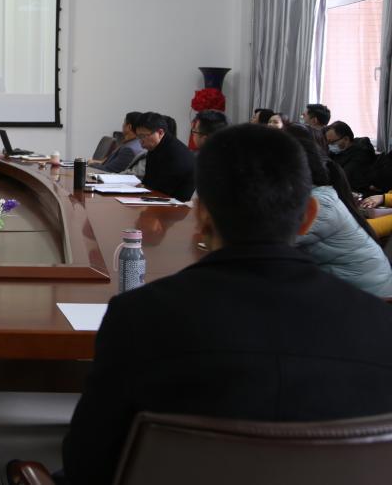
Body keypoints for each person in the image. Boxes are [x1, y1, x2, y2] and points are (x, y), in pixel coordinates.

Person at [59, 124, 392, 485]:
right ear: (307, 216)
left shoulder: (139, 316)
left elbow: (86, 463)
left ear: (201, 214)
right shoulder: (379, 322)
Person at [281, 126, 392, 297]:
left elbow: (272, 243)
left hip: (369, 299)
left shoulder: (320, 203)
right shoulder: (313, 195)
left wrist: (383, 198)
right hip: (349, 288)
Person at [133, 112, 195, 201]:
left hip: (173, 205)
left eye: (143, 136)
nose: (141, 141)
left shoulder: (176, 154)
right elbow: (147, 182)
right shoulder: (156, 147)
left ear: (160, 132)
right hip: (155, 199)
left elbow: (163, 191)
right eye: (138, 137)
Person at [325, 121, 376, 193]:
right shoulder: (339, 152)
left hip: (357, 193)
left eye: (332, 142)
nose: (329, 145)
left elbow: (342, 178)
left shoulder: (361, 154)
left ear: (346, 139)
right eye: (327, 142)